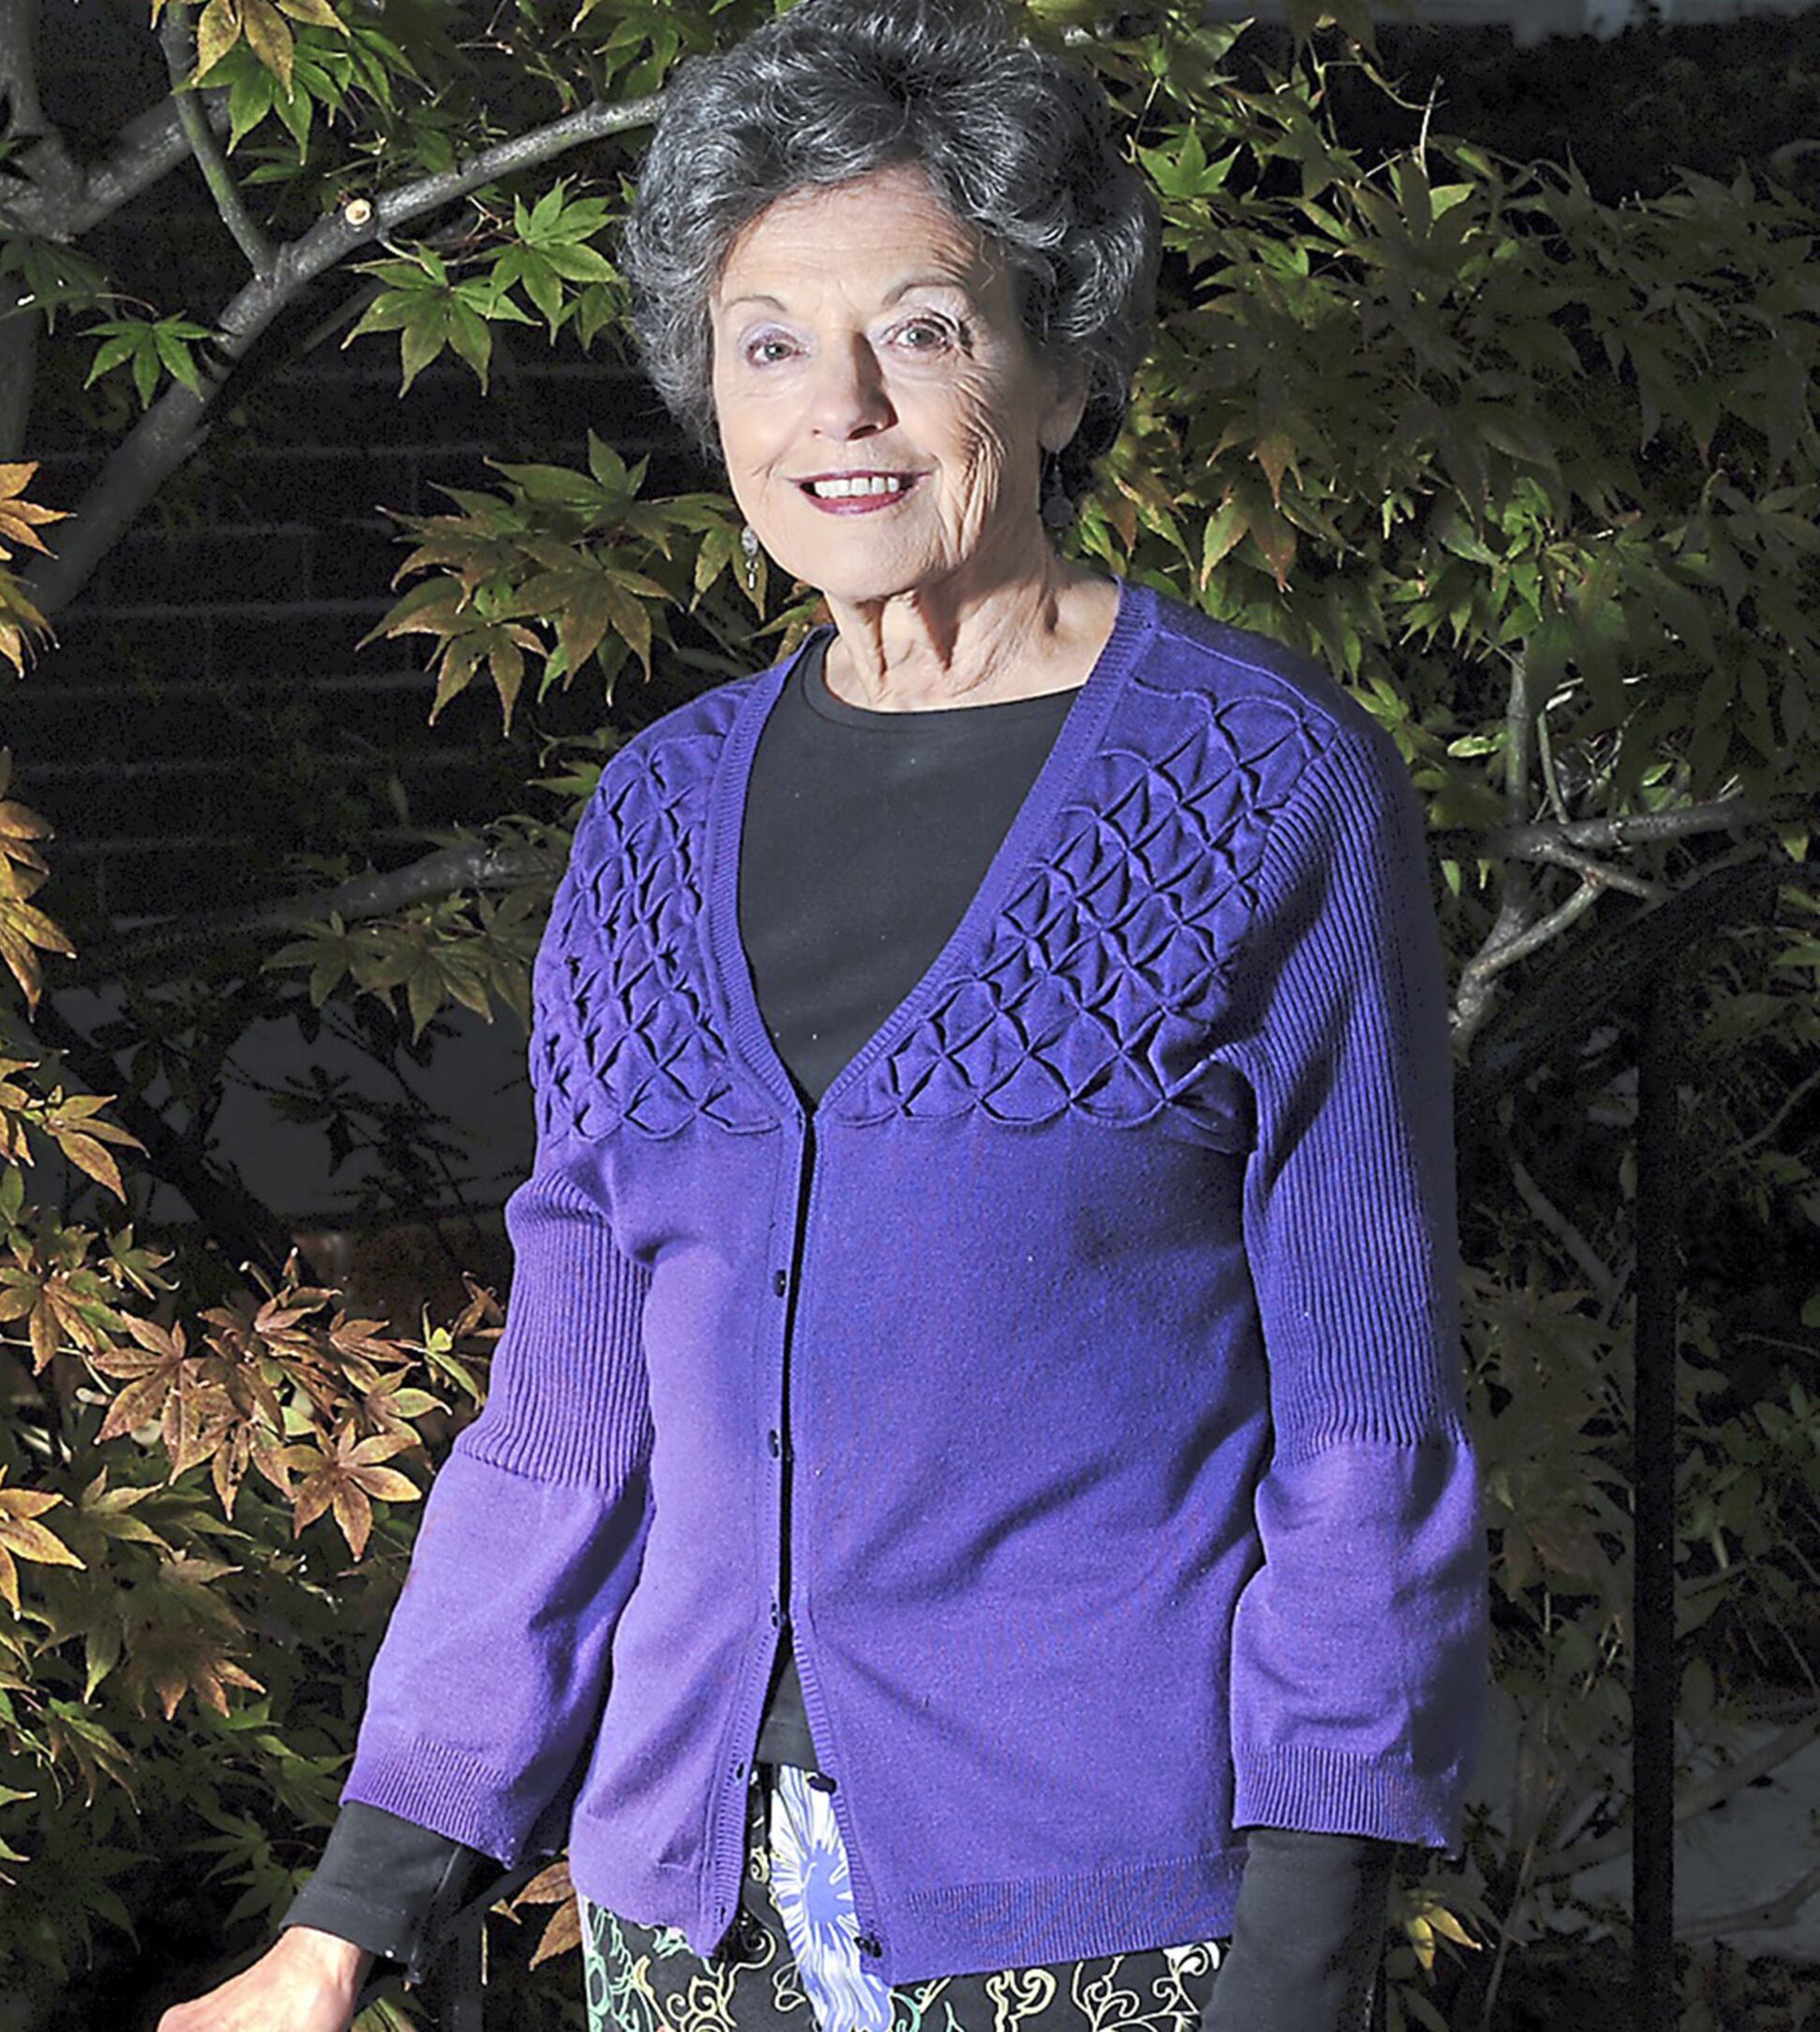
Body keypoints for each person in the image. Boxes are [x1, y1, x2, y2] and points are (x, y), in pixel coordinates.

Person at [154, 0, 1491, 2027]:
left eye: (928, 330)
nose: (838, 407)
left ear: (1057, 368)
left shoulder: (1266, 787)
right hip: (700, 1930)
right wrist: (349, 1917)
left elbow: (1363, 1421)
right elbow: (568, 1424)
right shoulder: (654, 818)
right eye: (770, 340)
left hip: (1123, 1919)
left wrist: (1303, 1962)